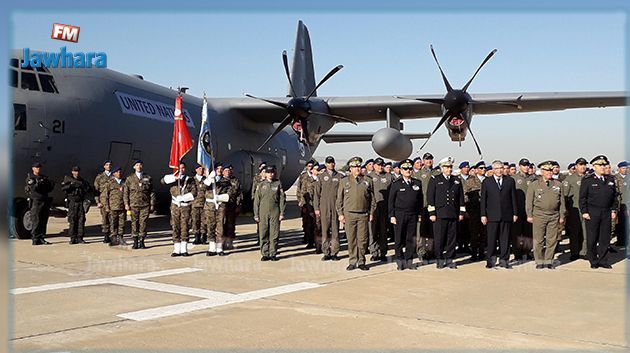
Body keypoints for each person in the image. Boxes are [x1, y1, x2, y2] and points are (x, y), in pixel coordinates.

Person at [579, 155, 618, 269]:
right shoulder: (588, 180)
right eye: (600, 165)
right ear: (594, 166)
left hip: (606, 212)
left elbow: (615, 197)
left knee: (605, 238)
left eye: (604, 165)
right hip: (592, 212)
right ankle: (593, 260)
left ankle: (603, 260)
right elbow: (582, 198)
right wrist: (584, 211)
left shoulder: (610, 179)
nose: (602, 167)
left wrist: (614, 209)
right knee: (592, 238)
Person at [337, 156, 375, 271]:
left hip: (363, 214)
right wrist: (340, 213)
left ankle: (361, 261)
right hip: (349, 214)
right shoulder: (344, 181)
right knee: (351, 239)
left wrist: (371, 212)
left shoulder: (367, 181)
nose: (357, 168)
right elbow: (339, 199)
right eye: (355, 166)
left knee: (362, 240)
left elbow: (372, 199)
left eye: (359, 166)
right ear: (350, 168)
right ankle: (353, 261)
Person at [526, 161, 566, 269]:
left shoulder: (558, 184)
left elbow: (562, 202)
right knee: (538, 240)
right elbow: (529, 201)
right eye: (547, 170)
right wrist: (529, 215)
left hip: (554, 215)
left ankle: (549, 260)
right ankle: (539, 261)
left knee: (551, 239)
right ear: (542, 171)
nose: (549, 172)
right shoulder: (534, 185)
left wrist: (562, 216)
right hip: (539, 215)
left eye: (551, 170)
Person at [427, 157, 465, 269]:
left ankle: (450, 259)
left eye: (450, 167)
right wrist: (432, 213)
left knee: (452, 238)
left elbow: (461, 198)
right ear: (441, 168)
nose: (449, 169)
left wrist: (461, 212)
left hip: (453, 213)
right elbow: (430, 197)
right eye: (447, 167)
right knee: (439, 238)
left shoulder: (456, 180)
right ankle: (439, 259)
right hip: (440, 213)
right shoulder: (435, 179)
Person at [481, 160, 518, 269]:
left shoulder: (510, 181)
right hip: (492, 215)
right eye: (497, 168)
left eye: (501, 168)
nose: (499, 170)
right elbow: (483, 200)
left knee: (505, 239)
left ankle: (504, 260)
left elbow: (513, 198)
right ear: (493, 170)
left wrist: (515, 212)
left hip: (506, 214)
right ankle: (491, 261)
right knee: (491, 239)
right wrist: (483, 214)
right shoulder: (487, 182)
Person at [388, 159, 423, 270]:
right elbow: (391, 201)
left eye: (409, 168)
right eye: (405, 169)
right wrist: (392, 215)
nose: (408, 170)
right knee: (398, 239)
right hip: (399, 214)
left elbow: (420, 201)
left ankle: (409, 261)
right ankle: (400, 261)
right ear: (401, 170)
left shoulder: (417, 183)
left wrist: (419, 214)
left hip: (413, 215)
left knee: (410, 239)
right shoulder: (396, 184)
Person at [162, 162, 197, 257]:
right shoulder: (173, 178)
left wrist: (184, 198)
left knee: (185, 226)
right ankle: (176, 249)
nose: (181, 170)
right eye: (179, 168)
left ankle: (184, 249)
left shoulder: (190, 180)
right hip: (175, 207)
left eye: (183, 168)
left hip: (185, 206)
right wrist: (174, 177)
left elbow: (194, 192)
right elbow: (162, 181)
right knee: (175, 226)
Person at [254, 165, 286, 261]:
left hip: (274, 211)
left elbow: (282, 199)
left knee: (274, 234)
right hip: (263, 212)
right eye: (268, 172)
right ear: (265, 173)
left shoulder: (278, 184)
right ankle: (265, 253)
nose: (270, 174)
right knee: (263, 233)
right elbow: (256, 201)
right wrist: (256, 214)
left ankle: (273, 253)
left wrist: (281, 213)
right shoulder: (260, 185)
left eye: (272, 172)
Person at [314, 156, 343, 261]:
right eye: (329, 163)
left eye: (332, 162)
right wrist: (316, 207)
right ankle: (326, 252)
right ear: (326, 164)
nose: (331, 164)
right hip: (324, 206)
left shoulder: (339, 176)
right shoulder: (321, 177)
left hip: (335, 206)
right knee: (325, 230)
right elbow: (316, 194)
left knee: (335, 231)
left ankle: (335, 252)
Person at [124, 160, 155, 249]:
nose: (139, 167)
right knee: (134, 222)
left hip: (145, 205)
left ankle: (142, 241)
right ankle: (135, 241)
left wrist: (152, 204)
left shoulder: (147, 178)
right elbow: (126, 192)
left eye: (140, 165)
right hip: (133, 204)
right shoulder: (129, 178)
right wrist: (126, 204)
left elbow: (152, 192)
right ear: (134, 167)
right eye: (137, 165)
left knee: (143, 223)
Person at [368, 157, 393, 262]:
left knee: (383, 232)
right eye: (378, 165)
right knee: (372, 231)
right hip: (373, 209)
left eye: (382, 165)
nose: (380, 167)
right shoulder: (368, 177)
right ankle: (374, 252)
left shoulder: (389, 176)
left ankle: (383, 252)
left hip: (385, 208)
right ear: (374, 166)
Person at [563, 157, 589, 260]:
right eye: (581, 165)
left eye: (584, 165)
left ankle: (584, 251)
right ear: (576, 166)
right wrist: (565, 210)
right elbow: (564, 195)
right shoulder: (570, 179)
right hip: (574, 209)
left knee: (586, 232)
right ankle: (574, 252)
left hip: (587, 209)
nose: (583, 167)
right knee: (575, 232)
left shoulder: (589, 178)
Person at [512, 158, 537, 262]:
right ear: (519, 166)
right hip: (518, 209)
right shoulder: (513, 178)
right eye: (524, 165)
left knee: (528, 233)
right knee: (517, 233)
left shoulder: (534, 179)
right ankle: (517, 253)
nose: (526, 167)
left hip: (530, 210)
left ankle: (527, 252)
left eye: (528, 165)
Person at [25, 162, 55, 245]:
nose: (38, 169)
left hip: (44, 200)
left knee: (43, 220)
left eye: (39, 167)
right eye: (36, 167)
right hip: (36, 201)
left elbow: (49, 188)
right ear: (33, 168)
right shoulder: (31, 178)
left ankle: (41, 237)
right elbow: (33, 188)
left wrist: (46, 183)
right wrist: (38, 183)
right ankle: (35, 238)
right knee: (36, 220)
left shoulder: (44, 177)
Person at [415, 152, 437, 263]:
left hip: (434, 207)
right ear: (423, 161)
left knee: (433, 231)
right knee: (421, 231)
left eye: (431, 159)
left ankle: (431, 251)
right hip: (422, 206)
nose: (429, 161)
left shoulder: (437, 173)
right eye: (427, 159)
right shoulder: (418, 174)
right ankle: (421, 251)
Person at [61, 166, 92, 244]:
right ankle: (72, 238)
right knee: (72, 220)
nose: (76, 173)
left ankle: (80, 237)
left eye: (77, 171)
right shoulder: (68, 180)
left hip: (80, 202)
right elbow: (63, 188)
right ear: (72, 172)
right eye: (75, 171)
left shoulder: (82, 180)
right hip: (72, 202)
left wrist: (83, 186)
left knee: (81, 220)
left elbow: (88, 189)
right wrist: (71, 185)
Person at [465, 161, 487, 261]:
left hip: (486, 211)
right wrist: (467, 210)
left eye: (484, 168)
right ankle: (474, 253)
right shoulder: (470, 181)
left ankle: (482, 253)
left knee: (484, 233)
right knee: (474, 232)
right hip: (474, 210)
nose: (483, 170)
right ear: (477, 169)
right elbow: (465, 195)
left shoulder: (488, 181)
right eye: (481, 168)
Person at [104, 167, 126, 246]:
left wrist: (127, 204)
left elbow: (126, 194)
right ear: (114, 174)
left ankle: (120, 238)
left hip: (122, 206)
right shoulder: (110, 183)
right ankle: (113, 238)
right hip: (113, 207)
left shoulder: (124, 183)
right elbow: (106, 196)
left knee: (121, 223)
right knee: (113, 223)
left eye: (120, 172)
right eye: (117, 172)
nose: (119, 173)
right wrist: (107, 206)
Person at [297, 160, 316, 248]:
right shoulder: (303, 176)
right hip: (305, 203)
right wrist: (300, 201)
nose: (310, 167)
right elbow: (299, 189)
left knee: (314, 223)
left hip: (314, 203)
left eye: (312, 166)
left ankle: (313, 240)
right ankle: (306, 236)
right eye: (309, 166)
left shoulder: (317, 177)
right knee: (306, 221)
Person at [223, 164, 242, 250]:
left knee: (231, 225)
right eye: (226, 170)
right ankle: (222, 243)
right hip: (222, 207)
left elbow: (239, 194)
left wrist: (238, 205)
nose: (228, 172)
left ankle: (229, 243)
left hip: (232, 206)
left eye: (229, 170)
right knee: (222, 225)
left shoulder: (235, 181)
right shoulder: (220, 181)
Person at [94, 160, 113, 243]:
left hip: (113, 202)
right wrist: (97, 202)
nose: (108, 166)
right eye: (107, 165)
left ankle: (112, 235)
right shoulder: (100, 177)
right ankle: (106, 236)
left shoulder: (114, 176)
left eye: (109, 165)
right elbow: (96, 191)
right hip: (103, 202)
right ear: (104, 166)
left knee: (112, 219)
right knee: (105, 219)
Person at [457, 161, 471, 254]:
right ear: (461, 169)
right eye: (464, 167)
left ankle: (466, 245)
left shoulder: (473, 179)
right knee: (459, 227)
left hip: (471, 206)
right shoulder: (457, 179)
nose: (466, 169)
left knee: (468, 227)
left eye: (467, 167)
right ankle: (460, 245)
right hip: (460, 206)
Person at [191, 164, 207, 245]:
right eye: (199, 169)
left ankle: (204, 236)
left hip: (205, 204)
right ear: (196, 170)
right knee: (195, 221)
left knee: (204, 221)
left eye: (202, 169)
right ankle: (197, 237)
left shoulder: (206, 180)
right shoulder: (192, 180)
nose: (201, 170)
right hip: (194, 204)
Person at [613, 161, 627, 248]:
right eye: (623, 168)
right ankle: (621, 240)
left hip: (627, 203)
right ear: (619, 169)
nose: (625, 170)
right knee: (620, 224)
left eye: (626, 168)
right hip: (620, 204)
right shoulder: (615, 178)